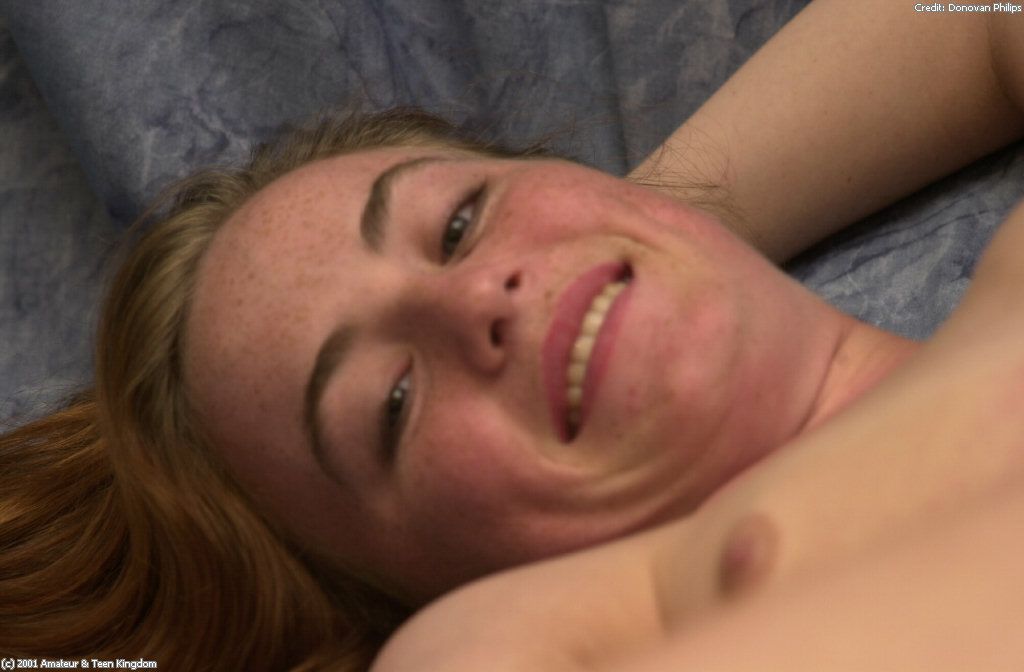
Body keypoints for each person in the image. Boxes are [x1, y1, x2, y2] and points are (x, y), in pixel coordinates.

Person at [1, 1, 1021, 670]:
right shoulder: (528, 637)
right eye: (393, 403)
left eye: (457, 225)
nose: (479, 299)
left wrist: (636, 239)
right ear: (415, 586)